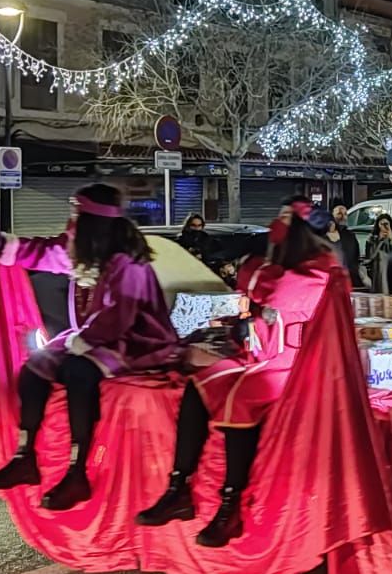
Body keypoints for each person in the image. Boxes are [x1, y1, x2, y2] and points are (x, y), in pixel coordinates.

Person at [137, 197, 343, 547]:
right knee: (199, 383)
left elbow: (275, 294)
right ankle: (179, 487)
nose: (276, 226)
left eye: (284, 219)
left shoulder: (319, 268)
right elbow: (249, 298)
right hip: (258, 354)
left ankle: (231, 505)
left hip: (294, 364)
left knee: (241, 400)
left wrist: (252, 265)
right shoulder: (278, 262)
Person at [0, 184, 181, 511]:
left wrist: (84, 343)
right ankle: (25, 455)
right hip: (96, 335)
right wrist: (5, 245)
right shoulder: (87, 252)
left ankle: (79, 472)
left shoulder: (127, 262)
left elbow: (120, 315)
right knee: (35, 367)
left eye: (76, 212)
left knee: (79, 372)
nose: (70, 219)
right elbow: (46, 253)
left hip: (137, 340)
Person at [362, 213, 392, 294]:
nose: (384, 226)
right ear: (378, 225)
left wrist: (391, 238)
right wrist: (379, 240)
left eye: (386, 224)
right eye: (381, 224)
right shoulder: (372, 239)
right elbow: (370, 256)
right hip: (378, 271)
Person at [327, 204, 363, 285]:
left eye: (345, 214)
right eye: (339, 213)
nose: (343, 217)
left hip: (350, 279)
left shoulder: (350, 235)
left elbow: (356, 256)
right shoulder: (325, 234)